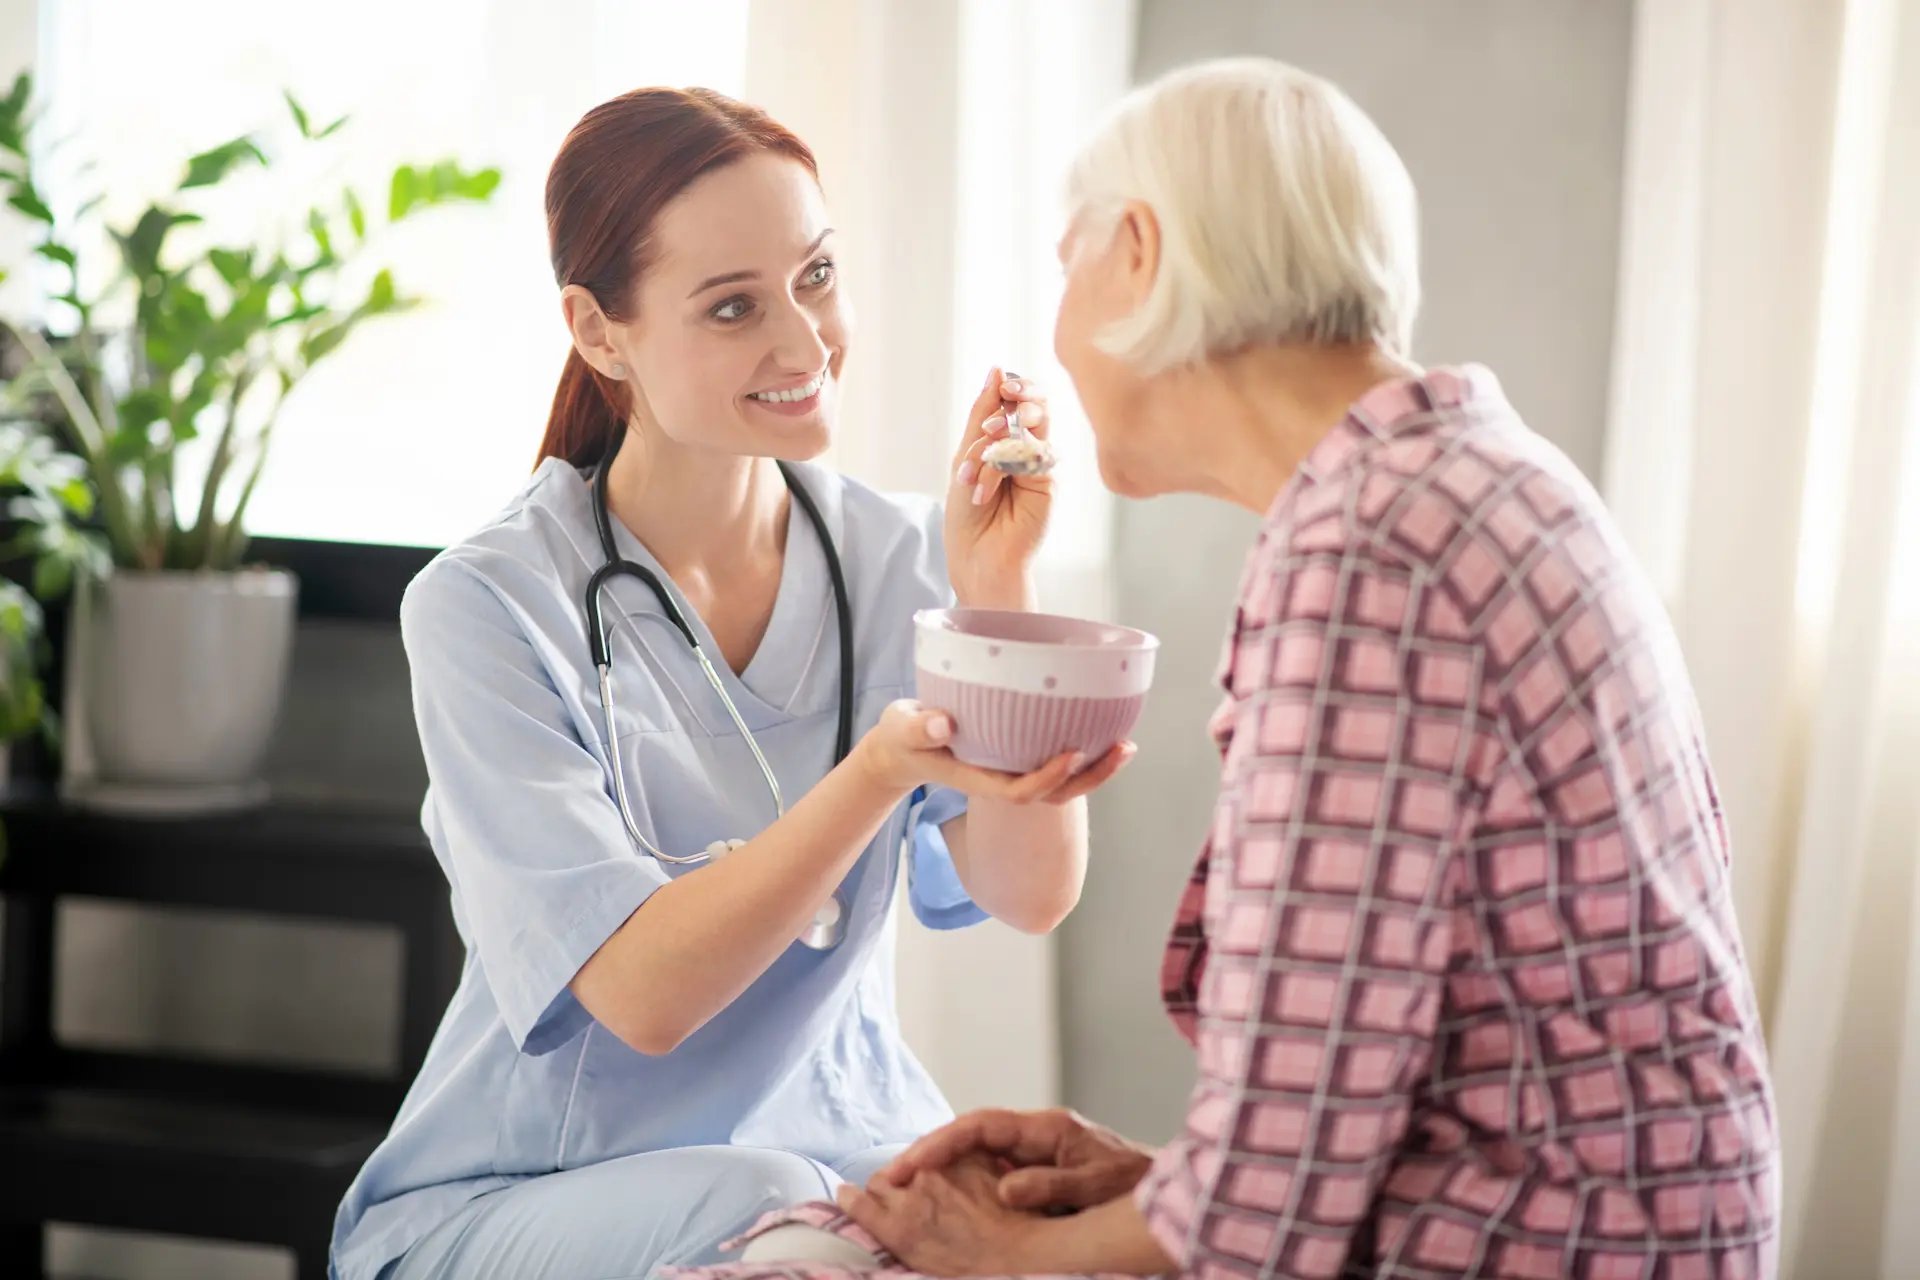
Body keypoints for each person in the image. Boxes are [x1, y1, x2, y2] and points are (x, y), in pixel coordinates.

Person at [666, 56, 1780, 1280]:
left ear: (1138, 253)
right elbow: (1380, 1068)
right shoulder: (1477, 476)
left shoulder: (1373, 554)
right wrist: (1155, 1181)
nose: (1058, 331)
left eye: (1066, 265)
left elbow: (1277, 1191)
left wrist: (1015, 1252)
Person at [327, 86, 1132, 1280]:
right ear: (601, 333)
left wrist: (994, 594)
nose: (805, 345)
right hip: (533, 1196)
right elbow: (644, 997)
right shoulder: (488, 605)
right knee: (785, 1214)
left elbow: (1029, 889)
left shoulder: (905, 558)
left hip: (840, 1159)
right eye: (733, 307)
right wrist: (876, 773)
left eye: (815, 277)